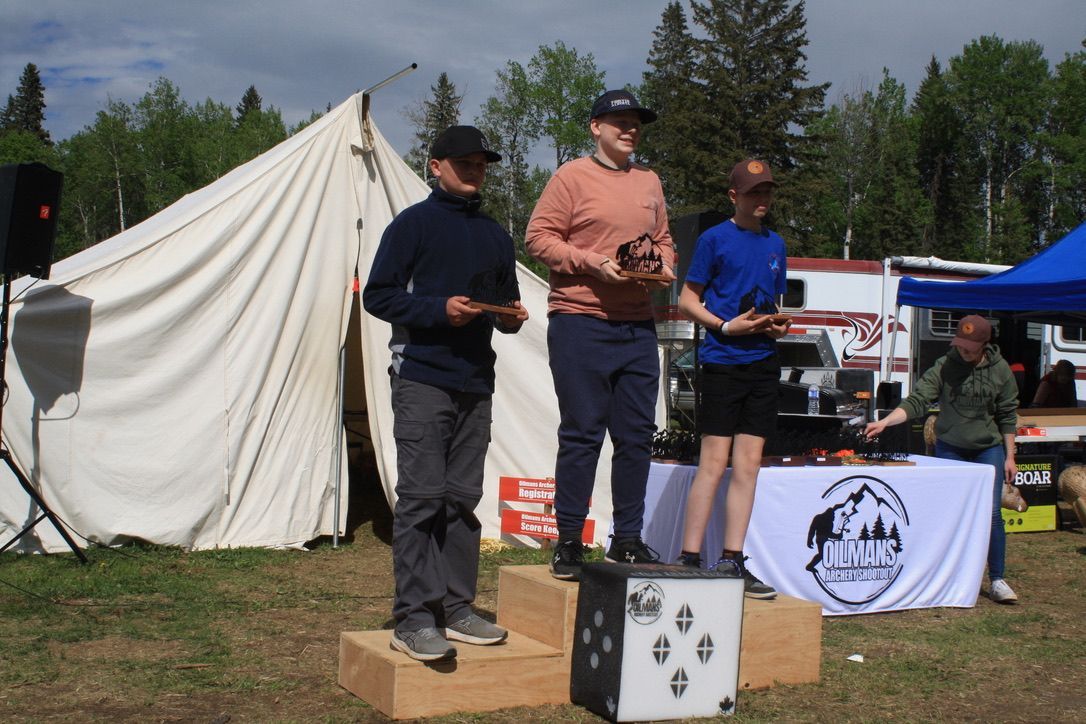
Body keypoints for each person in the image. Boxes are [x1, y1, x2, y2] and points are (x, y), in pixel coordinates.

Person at [363, 125, 529, 661]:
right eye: (463, 161)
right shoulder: (411, 225)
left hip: (476, 381)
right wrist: (439, 311)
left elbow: (504, 304)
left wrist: (510, 318)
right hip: (420, 378)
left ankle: (457, 609)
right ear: (436, 166)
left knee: (462, 501)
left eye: (481, 161)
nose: (474, 168)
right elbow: (378, 295)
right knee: (421, 500)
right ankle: (412, 619)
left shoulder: (495, 234)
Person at [526, 89, 676, 580]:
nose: (629, 129)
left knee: (635, 437)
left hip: (636, 324)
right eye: (618, 121)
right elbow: (538, 238)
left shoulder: (650, 181)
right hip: (580, 320)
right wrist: (593, 264)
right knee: (582, 434)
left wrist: (663, 268)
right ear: (595, 127)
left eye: (636, 122)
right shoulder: (571, 176)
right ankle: (569, 540)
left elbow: (664, 241)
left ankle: (627, 540)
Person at [674, 160, 791, 599]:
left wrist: (776, 325)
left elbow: (768, 302)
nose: (761, 201)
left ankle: (732, 559)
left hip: (763, 362)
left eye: (767, 193)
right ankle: (688, 559)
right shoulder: (713, 239)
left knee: (748, 467)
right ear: (733, 196)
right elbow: (688, 300)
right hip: (723, 361)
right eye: (752, 193)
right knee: (713, 463)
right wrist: (724, 327)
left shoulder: (776, 243)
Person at [864, 314, 1020, 604]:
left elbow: (1007, 415)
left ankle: (997, 579)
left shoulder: (1001, 371)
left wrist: (1010, 456)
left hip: (988, 448)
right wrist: (886, 422)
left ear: (985, 344)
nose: (964, 350)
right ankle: (949, 575)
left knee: (992, 514)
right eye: (960, 344)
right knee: (948, 511)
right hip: (951, 447)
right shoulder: (945, 365)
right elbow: (917, 400)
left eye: (970, 346)